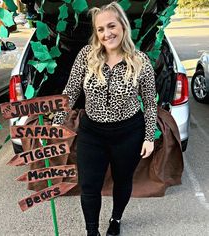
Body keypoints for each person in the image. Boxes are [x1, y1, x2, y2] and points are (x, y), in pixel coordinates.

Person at [53, 2, 157, 235]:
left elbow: (150, 104)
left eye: (111, 26)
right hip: (92, 132)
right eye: (100, 29)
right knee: (89, 185)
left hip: (129, 133)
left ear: (123, 26)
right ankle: (92, 231)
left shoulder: (140, 61)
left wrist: (149, 137)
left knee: (122, 181)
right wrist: (55, 123)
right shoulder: (86, 56)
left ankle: (116, 220)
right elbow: (70, 93)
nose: (106, 33)